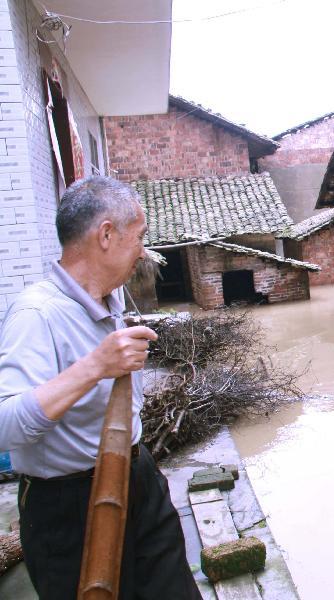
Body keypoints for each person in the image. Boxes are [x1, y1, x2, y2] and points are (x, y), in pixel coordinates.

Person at [0, 177, 201, 599]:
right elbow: (6, 427)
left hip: (137, 477)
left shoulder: (111, 300)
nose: (144, 252)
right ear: (107, 235)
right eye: (140, 237)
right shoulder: (37, 313)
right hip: (69, 503)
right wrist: (95, 366)